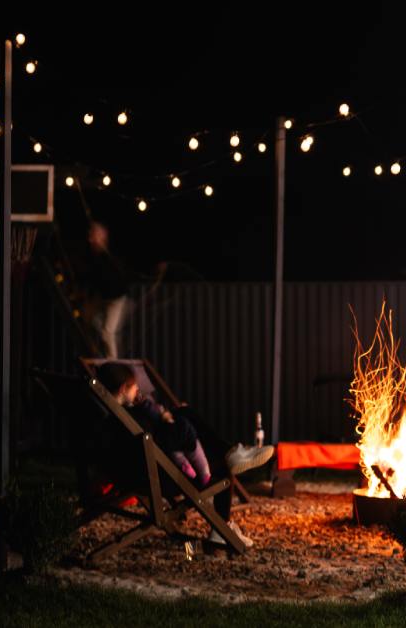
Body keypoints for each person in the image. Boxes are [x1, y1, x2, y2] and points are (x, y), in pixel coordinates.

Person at [96, 362, 275, 547]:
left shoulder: (108, 420)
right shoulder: (128, 418)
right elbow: (152, 440)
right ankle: (222, 528)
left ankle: (231, 454)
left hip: (141, 469)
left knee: (184, 414)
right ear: (124, 388)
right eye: (135, 387)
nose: (138, 390)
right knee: (218, 460)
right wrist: (173, 422)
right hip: (155, 476)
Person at [81, 221, 134, 359]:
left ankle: (113, 361)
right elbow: (92, 280)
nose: (91, 239)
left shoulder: (108, 256)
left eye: (94, 236)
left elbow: (116, 280)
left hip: (117, 299)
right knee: (90, 319)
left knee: (108, 332)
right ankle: (103, 349)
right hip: (105, 298)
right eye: (91, 236)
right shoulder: (93, 257)